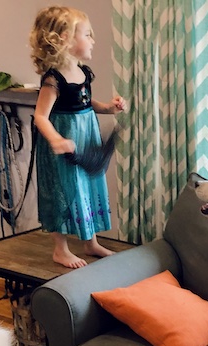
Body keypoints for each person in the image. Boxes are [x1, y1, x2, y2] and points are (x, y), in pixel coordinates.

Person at [29, 6, 127, 268]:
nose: (93, 40)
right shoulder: (53, 79)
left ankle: (90, 242)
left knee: (87, 186)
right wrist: (56, 140)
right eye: (87, 34)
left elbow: (83, 103)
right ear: (65, 40)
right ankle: (60, 249)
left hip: (85, 136)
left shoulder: (83, 72)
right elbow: (40, 116)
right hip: (64, 141)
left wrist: (107, 108)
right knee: (63, 190)